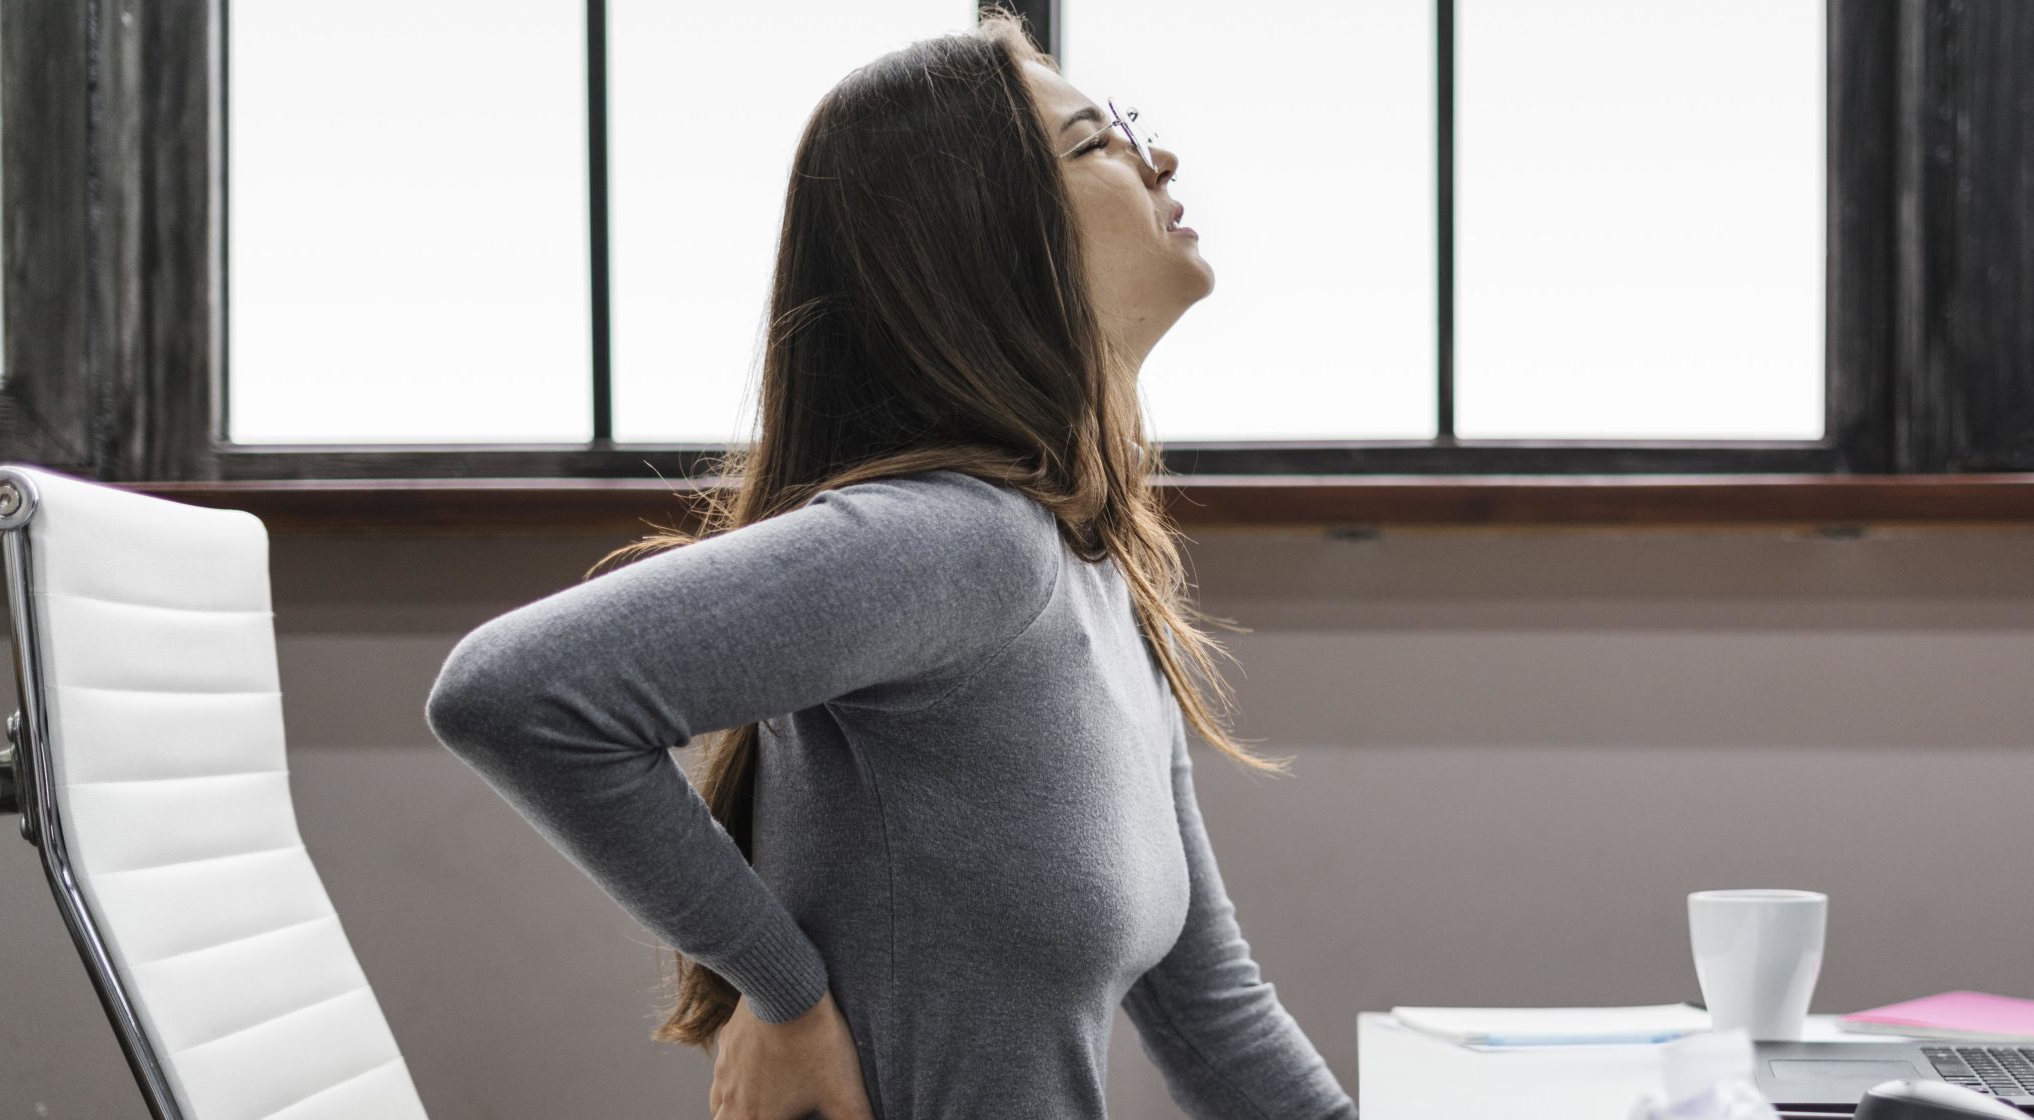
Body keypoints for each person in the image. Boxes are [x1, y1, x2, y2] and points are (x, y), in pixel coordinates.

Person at [421, 9, 1356, 1119]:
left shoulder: (1092, 569)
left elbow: (1214, 1014)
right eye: (1093, 141)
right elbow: (511, 692)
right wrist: (784, 991)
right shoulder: (964, 542)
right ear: (988, 239)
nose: (1158, 155)